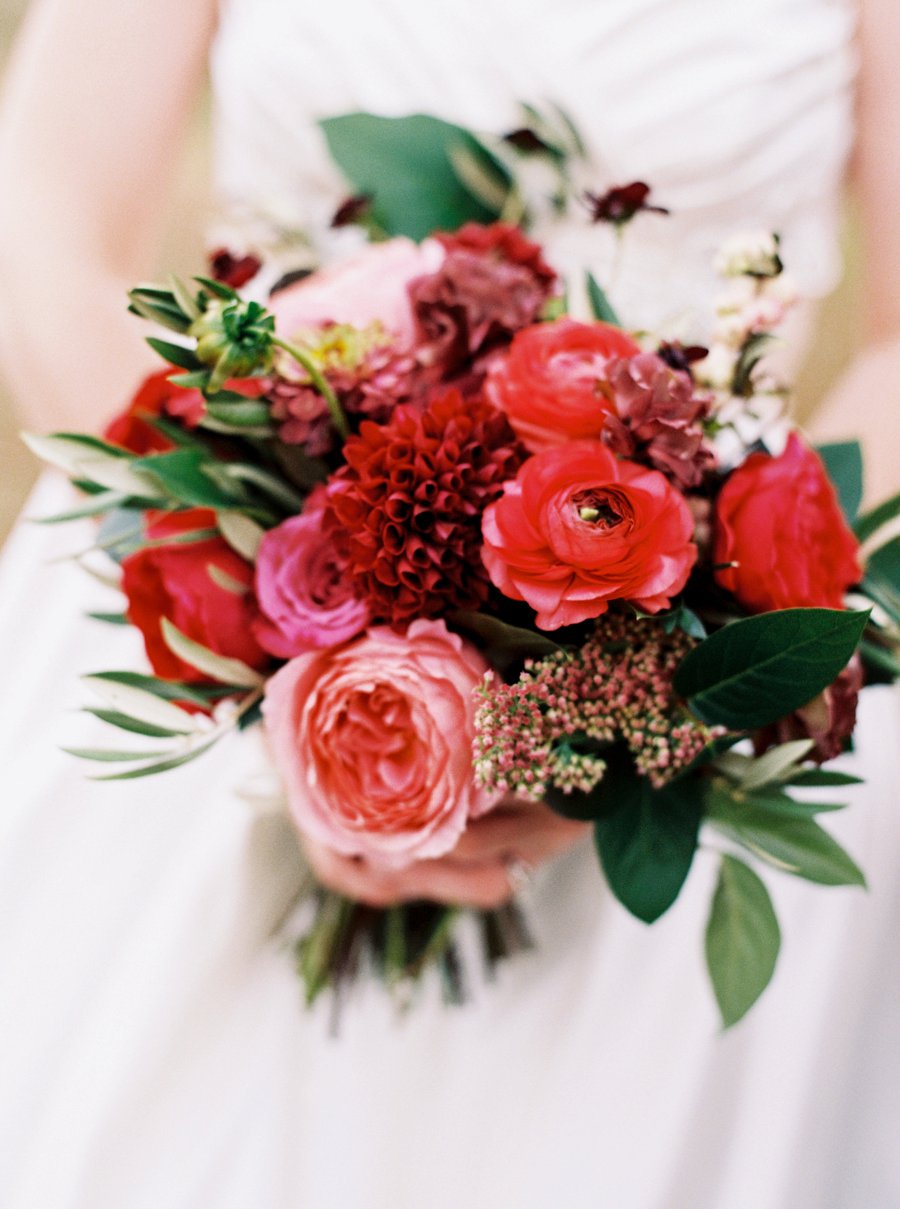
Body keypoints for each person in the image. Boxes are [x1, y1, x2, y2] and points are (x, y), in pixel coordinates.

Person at [0, 1, 897, 1206]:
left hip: (688, 623)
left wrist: (640, 710)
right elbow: (41, 224)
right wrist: (289, 622)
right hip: (228, 577)